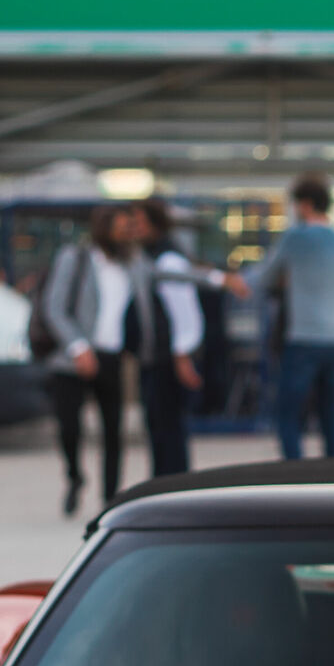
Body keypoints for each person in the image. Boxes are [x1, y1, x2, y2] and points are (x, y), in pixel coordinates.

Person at [131, 198, 247, 477]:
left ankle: (170, 488)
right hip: (157, 356)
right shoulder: (150, 256)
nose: (134, 229)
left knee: (168, 429)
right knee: (160, 428)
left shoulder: (167, 258)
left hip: (166, 359)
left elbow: (184, 312)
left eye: (139, 223)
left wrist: (182, 355)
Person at [40, 205, 143, 516]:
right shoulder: (76, 258)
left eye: (130, 228)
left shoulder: (132, 264)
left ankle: (110, 499)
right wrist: (78, 347)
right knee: (69, 429)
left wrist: (219, 279)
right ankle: (75, 477)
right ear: (104, 228)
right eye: (122, 227)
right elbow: (54, 307)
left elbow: (168, 273)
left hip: (111, 356)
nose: (127, 233)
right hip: (72, 358)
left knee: (113, 431)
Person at [246, 173, 334, 459]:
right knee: (329, 417)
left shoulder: (296, 238)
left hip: (305, 337)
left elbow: (265, 277)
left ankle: (293, 480)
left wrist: (231, 281)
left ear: (305, 205)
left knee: (288, 414)